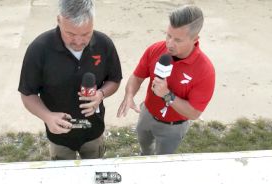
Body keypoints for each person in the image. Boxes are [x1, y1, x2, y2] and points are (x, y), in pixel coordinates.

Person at [18, 0, 122, 160]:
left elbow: (114, 80)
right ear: (59, 20)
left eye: (86, 34)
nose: (79, 41)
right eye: (70, 34)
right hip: (59, 135)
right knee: (63, 177)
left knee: (94, 172)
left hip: (94, 130)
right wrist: (47, 116)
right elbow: (27, 94)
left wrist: (101, 94)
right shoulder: (38, 49)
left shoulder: (104, 44)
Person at [117, 5, 215, 155]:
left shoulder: (205, 71)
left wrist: (167, 95)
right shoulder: (155, 49)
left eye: (177, 40)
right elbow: (137, 77)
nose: (169, 43)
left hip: (173, 127)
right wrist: (129, 95)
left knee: (162, 160)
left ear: (195, 39)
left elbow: (194, 113)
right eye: (168, 35)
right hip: (146, 114)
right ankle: (145, 156)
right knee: (145, 149)